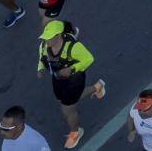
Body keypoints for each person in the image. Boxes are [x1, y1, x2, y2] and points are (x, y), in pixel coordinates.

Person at [35, 18, 105, 148]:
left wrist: (72, 69)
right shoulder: (45, 45)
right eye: (45, 37)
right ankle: (97, 87)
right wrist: (40, 68)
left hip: (74, 79)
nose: (46, 40)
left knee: (67, 108)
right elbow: (41, 58)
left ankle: (75, 132)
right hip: (57, 77)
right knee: (62, 97)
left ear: (59, 35)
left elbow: (89, 59)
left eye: (49, 38)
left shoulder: (73, 47)